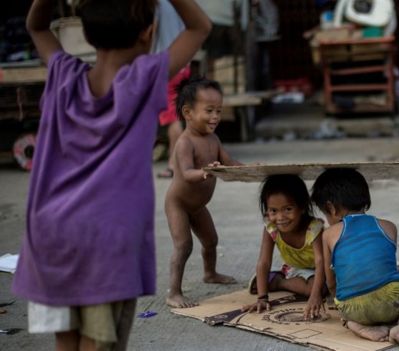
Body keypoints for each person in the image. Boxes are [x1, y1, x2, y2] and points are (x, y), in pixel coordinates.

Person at [12, 0, 211, 350]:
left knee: (66, 341)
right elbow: (199, 27)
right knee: (98, 342)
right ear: (148, 33)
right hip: (105, 242)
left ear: (86, 33)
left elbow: (36, 26)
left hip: (49, 237)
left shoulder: (63, 75)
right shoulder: (145, 77)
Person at [311, 168, 399, 346]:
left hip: (352, 308)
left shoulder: (329, 234)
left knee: (345, 313)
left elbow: (331, 282)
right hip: (390, 305)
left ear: (331, 208)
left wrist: (339, 302)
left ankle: (357, 326)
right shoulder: (389, 227)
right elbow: (384, 267)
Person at [165, 77, 242, 308]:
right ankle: (174, 293)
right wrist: (206, 172)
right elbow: (187, 173)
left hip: (198, 206)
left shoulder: (214, 139)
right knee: (184, 245)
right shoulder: (184, 143)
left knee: (211, 240)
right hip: (178, 203)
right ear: (188, 113)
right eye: (209, 111)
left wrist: (248, 169)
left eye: (219, 110)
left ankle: (210, 273)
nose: (215, 117)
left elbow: (229, 163)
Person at [242, 174, 326, 320]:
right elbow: (264, 262)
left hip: (322, 268)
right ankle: (277, 281)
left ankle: (276, 281)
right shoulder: (271, 228)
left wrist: (315, 296)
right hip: (294, 268)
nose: (280, 217)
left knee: (321, 289)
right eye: (273, 211)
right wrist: (262, 298)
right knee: (312, 288)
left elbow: (321, 261)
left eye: (287, 209)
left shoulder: (313, 228)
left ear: (302, 207)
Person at [152, 0, 187, 178]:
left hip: (166, 64)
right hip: (182, 63)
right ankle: (178, 163)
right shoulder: (181, 4)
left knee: (172, 119)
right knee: (176, 117)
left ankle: (174, 165)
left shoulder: (157, 4)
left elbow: (152, 32)